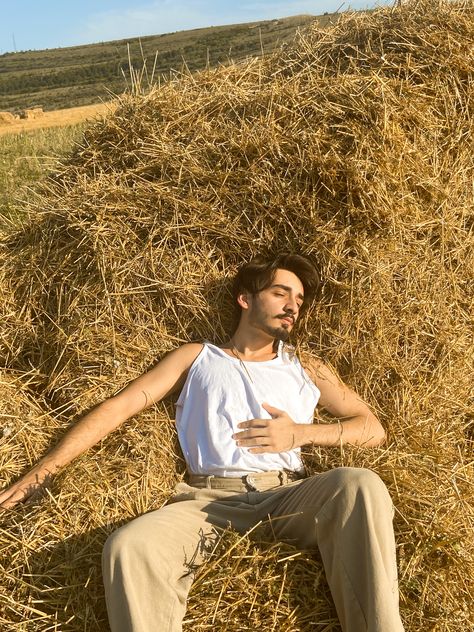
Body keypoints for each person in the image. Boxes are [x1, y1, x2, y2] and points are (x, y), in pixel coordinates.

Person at [0, 253, 404, 632]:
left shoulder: (306, 365)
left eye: (298, 298)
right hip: (206, 504)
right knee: (130, 546)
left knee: (360, 485)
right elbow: (117, 409)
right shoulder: (198, 357)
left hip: (289, 497)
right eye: (280, 293)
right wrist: (42, 473)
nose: (292, 306)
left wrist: (301, 433)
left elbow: (372, 427)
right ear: (245, 298)